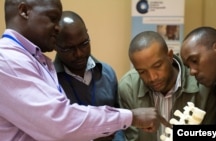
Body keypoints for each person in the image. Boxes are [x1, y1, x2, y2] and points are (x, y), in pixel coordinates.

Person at [0, 0, 168, 140]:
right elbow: (60, 122)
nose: (57, 28)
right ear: (24, 11)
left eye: (84, 43)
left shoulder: (36, 60)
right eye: (52, 18)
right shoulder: (7, 61)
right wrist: (132, 117)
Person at [118, 31, 216, 141]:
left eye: (157, 66)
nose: (152, 77)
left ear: (169, 56)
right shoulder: (128, 88)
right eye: (142, 72)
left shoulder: (202, 83)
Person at [53, 10, 125, 141]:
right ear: (55, 46)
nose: (79, 53)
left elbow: (120, 122)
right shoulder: (49, 81)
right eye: (69, 49)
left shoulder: (107, 73)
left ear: (87, 34)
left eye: (84, 44)